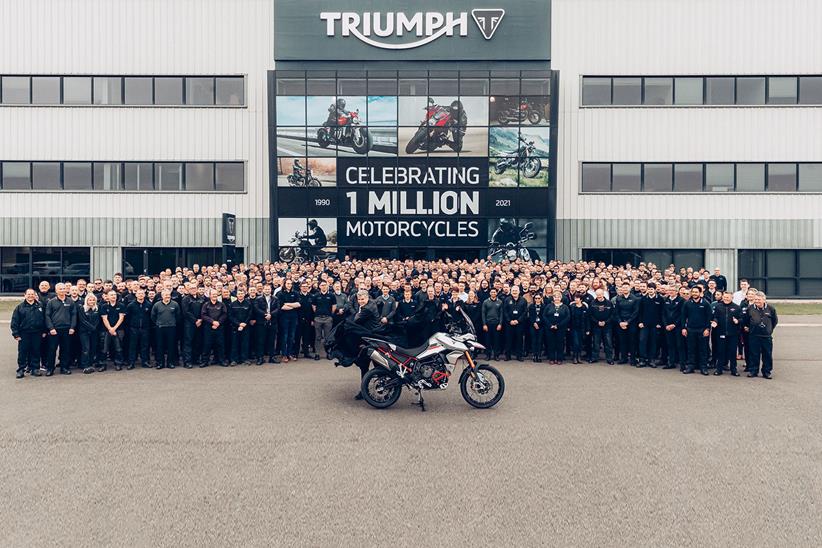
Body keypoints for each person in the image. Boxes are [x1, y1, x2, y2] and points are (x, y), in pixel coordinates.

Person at [10, 289, 45, 379]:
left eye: (32, 294)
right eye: (28, 294)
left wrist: (45, 331)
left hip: (37, 333)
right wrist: (16, 334)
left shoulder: (40, 306)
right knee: (23, 352)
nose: (30, 296)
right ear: (25, 295)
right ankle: (21, 369)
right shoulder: (19, 307)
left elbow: (44, 319)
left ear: (35, 295)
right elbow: (14, 322)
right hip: (24, 333)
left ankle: (35, 369)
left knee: (36, 351)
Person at [45, 283, 77, 376]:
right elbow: (47, 316)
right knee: (51, 350)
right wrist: (51, 328)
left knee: (65, 349)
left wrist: (72, 327)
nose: (62, 290)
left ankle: (64, 368)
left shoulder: (70, 301)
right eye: (60, 289)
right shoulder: (51, 302)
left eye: (64, 288)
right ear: (56, 290)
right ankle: (50, 368)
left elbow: (74, 315)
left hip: (67, 330)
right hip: (54, 330)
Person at [745, 291, 778, 379]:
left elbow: (774, 321)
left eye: (759, 299)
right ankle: (753, 371)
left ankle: (767, 372)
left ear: (764, 299)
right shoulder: (750, 308)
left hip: (766, 336)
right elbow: (746, 320)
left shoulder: (771, 309)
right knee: (754, 354)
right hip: (754, 335)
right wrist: (749, 328)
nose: (757, 301)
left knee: (767, 354)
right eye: (755, 299)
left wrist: (769, 329)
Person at [681, 286, 712, 375]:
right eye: (693, 292)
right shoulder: (687, 303)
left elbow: (709, 317)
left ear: (700, 293)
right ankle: (691, 366)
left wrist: (707, 329)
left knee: (703, 349)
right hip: (690, 329)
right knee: (691, 349)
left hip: (702, 330)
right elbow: (683, 316)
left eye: (696, 292)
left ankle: (703, 367)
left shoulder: (706, 304)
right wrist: (683, 328)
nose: (694, 293)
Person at [711, 292, 742, 376]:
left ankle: (733, 369)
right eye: (724, 297)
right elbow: (715, 317)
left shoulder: (737, 307)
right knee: (721, 351)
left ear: (732, 298)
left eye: (728, 297)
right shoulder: (718, 307)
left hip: (733, 334)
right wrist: (715, 322)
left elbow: (741, 318)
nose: (726, 299)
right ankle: (719, 369)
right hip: (721, 333)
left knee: (732, 352)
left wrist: (737, 321)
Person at [151, 289, 181, 369]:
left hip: (171, 328)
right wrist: (158, 323)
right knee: (159, 346)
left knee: (171, 346)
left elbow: (178, 316)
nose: (167, 296)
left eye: (168, 295)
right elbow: (153, 316)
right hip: (160, 328)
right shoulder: (157, 305)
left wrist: (173, 323)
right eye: (165, 295)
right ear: (162, 296)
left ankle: (170, 363)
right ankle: (160, 363)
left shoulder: (175, 304)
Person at [637, 283, 663, 368]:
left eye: (652, 289)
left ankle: (651, 360)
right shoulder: (643, 299)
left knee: (653, 342)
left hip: (655, 325)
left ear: (655, 289)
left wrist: (659, 323)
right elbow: (639, 312)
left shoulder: (660, 299)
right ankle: (642, 360)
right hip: (644, 324)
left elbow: (662, 313)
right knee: (642, 341)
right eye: (649, 289)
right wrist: (640, 322)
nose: (650, 290)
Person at [612, 283, 639, 365]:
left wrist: (627, 322)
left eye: (626, 288)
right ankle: (623, 358)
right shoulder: (619, 298)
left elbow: (635, 312)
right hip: (621, 323)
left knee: (632, 341)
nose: (625, 289)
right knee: (622, 341)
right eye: (623, 288)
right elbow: (616, 312)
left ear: (630, 288)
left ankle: (633, 359)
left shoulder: (635, 298)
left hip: (631, 323)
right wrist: (620, 322)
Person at [126, 289, 153, 369]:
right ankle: (131, 363)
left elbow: (151, 317)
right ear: (136, 295)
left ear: (145, 295)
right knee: (132, 346)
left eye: (142, 293)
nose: (141, 295)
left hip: (145, 328)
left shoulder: (149, 305)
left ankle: (145, 362)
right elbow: (127, 318)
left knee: (145, 346)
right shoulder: (131, 305)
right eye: (139, 293)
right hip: (133, 329)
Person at [100, 290, 126, 370]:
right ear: (107, 296)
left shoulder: (121, 305)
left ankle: (118, 364)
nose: (113, 296)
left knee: (118, 347)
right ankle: (103, 365)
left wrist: (114, 329)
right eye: (111, 295)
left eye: (114, 295)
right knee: (104, 348)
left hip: (119, 329)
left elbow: (121, 318)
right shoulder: (104, 306)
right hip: (106, 330)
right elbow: (104, 319)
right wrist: (110, 329)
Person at [254, 284, 279, 364]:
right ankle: (260, 358)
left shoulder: (275, 298)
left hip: (272, 322)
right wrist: (265, 314)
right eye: (266, 289)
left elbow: (278, 308)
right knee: (260, 341)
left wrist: (270, 315)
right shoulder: (258, 299)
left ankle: (272, 357)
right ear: (263, 290)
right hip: (261, 323)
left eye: (268, 289)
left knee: (272, 341)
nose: (267, 290)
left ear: (271, 290)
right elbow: (256, 309)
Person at [201, 290, 228, 366]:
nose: (214, 296)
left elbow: (224, 314)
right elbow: (203, 315)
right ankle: (205, 361)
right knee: (207, 345)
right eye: (213, 294)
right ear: (210, 295)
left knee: (220, 344)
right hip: (208, 327)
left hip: (219, 327)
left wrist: (218, 322)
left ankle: (221, 360)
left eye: (215, 294)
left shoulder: (221, 304)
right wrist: (212, 322)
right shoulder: (206, 305)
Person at [661, 285, 685, 371]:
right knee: (670, 345)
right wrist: (666, 325)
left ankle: (682, 364)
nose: (671, 291)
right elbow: (663, 314)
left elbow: (682, 315)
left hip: (677, 326)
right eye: (670, 290)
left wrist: (674, 324)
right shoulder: (666, 300)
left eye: (673, 290)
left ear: (677, 291)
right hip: (667, 327)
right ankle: (671, 362)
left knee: (679, 345)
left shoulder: (681, 300)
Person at [181, 283, 205, 368]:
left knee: (198, 342)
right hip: (189, 324)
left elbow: (204, 310)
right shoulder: (185, 299)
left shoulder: (201, 299)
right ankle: (187, 362)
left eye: (194, 288)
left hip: (200, 323)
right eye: (191, 288)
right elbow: (186, 312)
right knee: (188, 343)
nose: (193, 289)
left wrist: (201, 320)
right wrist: (195, 320)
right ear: (188, 289)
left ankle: (196, 359)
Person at [77, 294, 102, 374]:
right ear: (86, 300)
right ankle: (85, 365)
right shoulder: (82, 308)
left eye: (93, 300)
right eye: (90, 300)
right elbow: (82, 320)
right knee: (86, 349)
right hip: (84, 332)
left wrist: (94, 328)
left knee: (93, 348)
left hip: (94, 332)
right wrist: (92, 328)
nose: (91, 301)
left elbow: (98, 320)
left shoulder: (97, 308)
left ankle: (91, 364)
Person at [277, 279, 301, 362]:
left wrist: (287, 304)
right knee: (284, 336)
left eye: (290, 283)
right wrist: (292, 306)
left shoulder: (295, 293)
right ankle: (284, 354)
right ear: (284, 284)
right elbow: (281, 306)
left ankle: (289, 353)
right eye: (288, 283)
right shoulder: (280, 294)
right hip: (284, 318)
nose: (289, 285)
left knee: (292, 336)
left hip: (293, 318)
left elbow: (298, 304)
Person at [588, 289, 614, 365]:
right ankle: (594, 358)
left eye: (600, 295)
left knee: (608, 343)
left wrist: (605, 322)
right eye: (597, 295)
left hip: (607, 326)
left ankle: (609, 358)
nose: (599, 297)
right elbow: (590, 315)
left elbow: (612, 314)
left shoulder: (609, 303)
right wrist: (597, 322)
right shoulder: (592, 303)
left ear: (603, 294)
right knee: (596, 343)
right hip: (596, 326)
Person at [543, 291, 570, 364]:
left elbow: (567, 317)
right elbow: (544, 316)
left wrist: (558, 325)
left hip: (561, 328)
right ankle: (551, 358)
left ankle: (559, 359)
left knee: (560, 343)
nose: (557, 298)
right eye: (555, 297)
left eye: (558, 297)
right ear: (553, 298)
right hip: (550, 328)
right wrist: (550, 325)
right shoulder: (549, 306)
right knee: (551, 343)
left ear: (561, 298)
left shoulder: (565, 307)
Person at [312, 280, 336, 360]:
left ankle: (328, 353)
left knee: (328, 337)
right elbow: (314, 307)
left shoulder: (331, 295)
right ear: (319, 286)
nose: (324, 286)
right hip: (318, 318)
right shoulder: (316, 296)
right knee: (318, 337)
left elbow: (334, 307)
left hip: (328, 318)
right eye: (322, 285)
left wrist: (329, 315)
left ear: (327, 286)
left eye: (325, 285)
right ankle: (317, 353)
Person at [228, 288, 253, 365]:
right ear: (236, 295)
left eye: (242, 293)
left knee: (245, 343)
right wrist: (238, 324)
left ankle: (244, 359)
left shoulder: (248, 304)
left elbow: (250, 315)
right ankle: (234, 360)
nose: (240, 295)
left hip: (246, 326)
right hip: (235, 327)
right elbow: (230, 316)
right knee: (234, 343)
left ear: (244, 294)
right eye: (239, 294)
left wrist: (244, 323)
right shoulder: (232, 304)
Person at [503, 285, 527, 361]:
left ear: (519, 291)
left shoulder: (523, 300)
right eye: (513, 291)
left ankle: (519, 356)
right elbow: (505, 311)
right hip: (509, 323)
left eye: (516, 291)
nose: (514, 292)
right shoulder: (507, 300)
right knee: (508, 339)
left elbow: (525, 312)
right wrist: (509, 320)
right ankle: (508, 356)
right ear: (511, 291)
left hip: (519, 323)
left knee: (519, 340)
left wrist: (518, 320)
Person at [481, 287, 503, 360]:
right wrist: (484, 324)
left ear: (496, 293)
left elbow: (501, 314)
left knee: (496, 340)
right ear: (490, 293)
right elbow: (483, 313)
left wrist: (500, 324)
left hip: (496, 324)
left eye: (494, 292)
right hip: (488, 324)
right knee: (488, 340)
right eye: (492, 292)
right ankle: (488, 355)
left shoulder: (500, 302)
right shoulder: (485, 302)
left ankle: (496, 355)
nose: (493, 293)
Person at [568, 293, 589, 364]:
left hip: (582, 328)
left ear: (581, 299)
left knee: (580, 343)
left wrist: (587, 329)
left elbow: (587, 319)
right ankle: (574, 357)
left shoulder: (584, 307)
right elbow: (569, 317)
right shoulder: (572, 306)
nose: (576, 299)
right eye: (575, 298)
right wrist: (568, 326)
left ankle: (579, 357)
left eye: (577, 298)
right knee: (575, 343)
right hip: (574, 327)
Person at [528, 293, 545, 362]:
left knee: (540, 341)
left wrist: (539, 323)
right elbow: (530, 316)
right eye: (536, 298)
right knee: (534, 340)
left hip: (541, 325)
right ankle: (534, 355)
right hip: (533, 325)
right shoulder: (531, 306)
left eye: (538, 298)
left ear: (541, 299)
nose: (537, 299)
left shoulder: (544, 306)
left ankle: (539, 355)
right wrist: (534, 323)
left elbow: (544, 316)